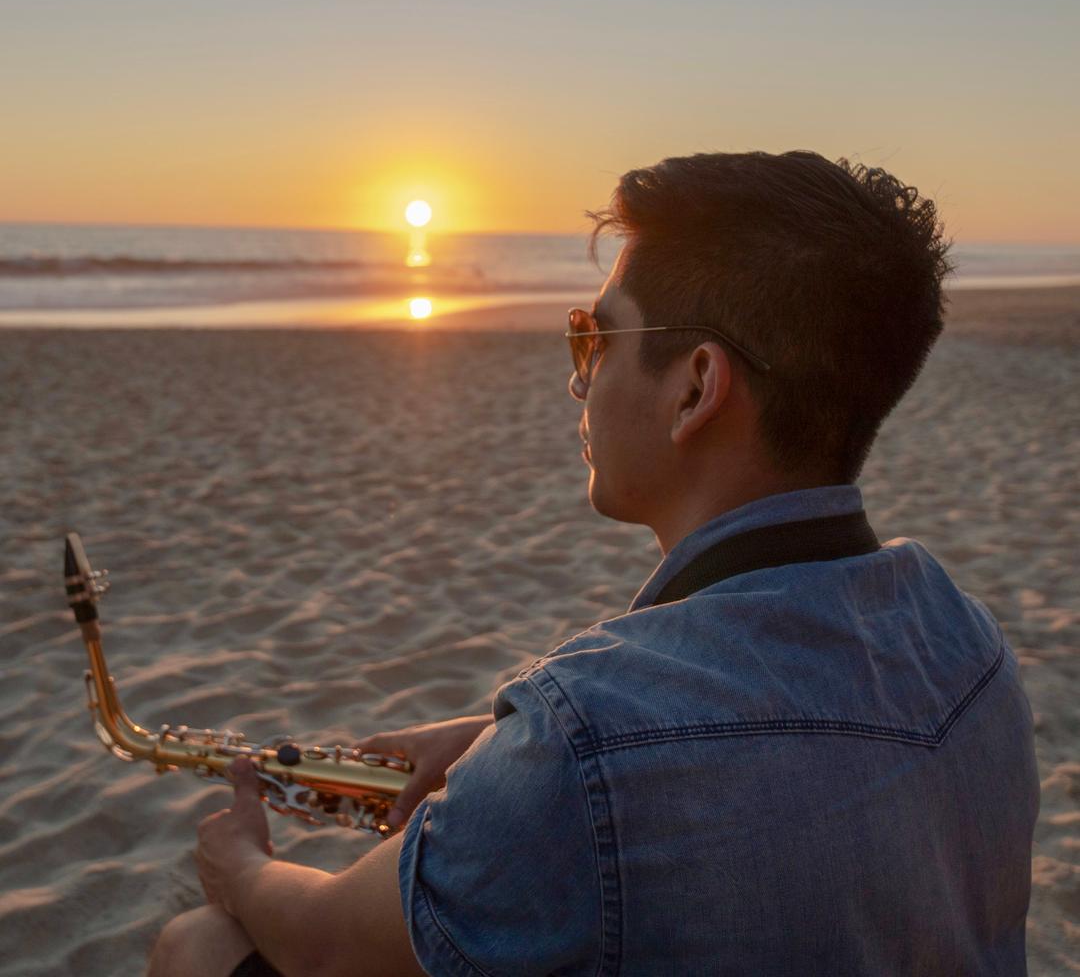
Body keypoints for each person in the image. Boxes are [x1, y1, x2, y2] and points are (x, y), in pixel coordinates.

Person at [148, 151, 1039, 976]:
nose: (580, 378)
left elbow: (325, 941)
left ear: (695, 387)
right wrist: (488, 744)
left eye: (595, 337)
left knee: (199, 942)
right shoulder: (970, 645)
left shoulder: (589, 733)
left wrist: (240, 865)